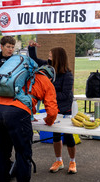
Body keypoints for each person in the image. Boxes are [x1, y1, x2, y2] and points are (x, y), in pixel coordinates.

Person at [0, 65, 58, 182]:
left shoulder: (23, 74)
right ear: (51, 77)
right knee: (23, 154)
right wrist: (48, 122)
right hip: (17, 112)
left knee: (2, 151)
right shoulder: (46, 81)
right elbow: (52, 111)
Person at [28, 41, 77, 174]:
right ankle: (59, 161)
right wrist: (31, 48)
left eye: (51, 54)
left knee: (68, 136)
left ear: (58, 57)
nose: (48, 56)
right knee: (55, 135)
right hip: (52, 108)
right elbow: (34, 60)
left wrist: (48, 93)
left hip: (65, 109)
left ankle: (72, 162)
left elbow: (66, 95)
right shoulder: (47, 68)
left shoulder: (67, 75)